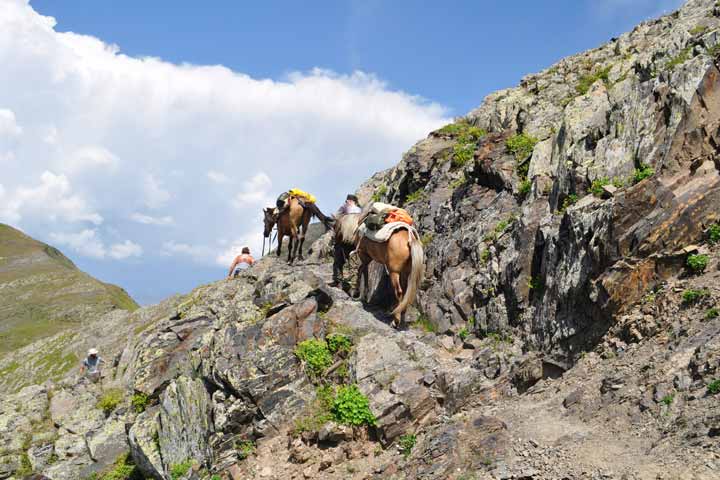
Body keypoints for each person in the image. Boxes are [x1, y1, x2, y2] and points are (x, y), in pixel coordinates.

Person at [331, 194, 363, 286]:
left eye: (347, 201)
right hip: (355, 240)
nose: (346, 202)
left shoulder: (344, 208)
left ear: (350, 201)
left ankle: (338, 280)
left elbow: (335, 218)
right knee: (353, 261)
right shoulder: (360, 211)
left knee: (338, 260)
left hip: (343, 240)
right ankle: (354, 282)